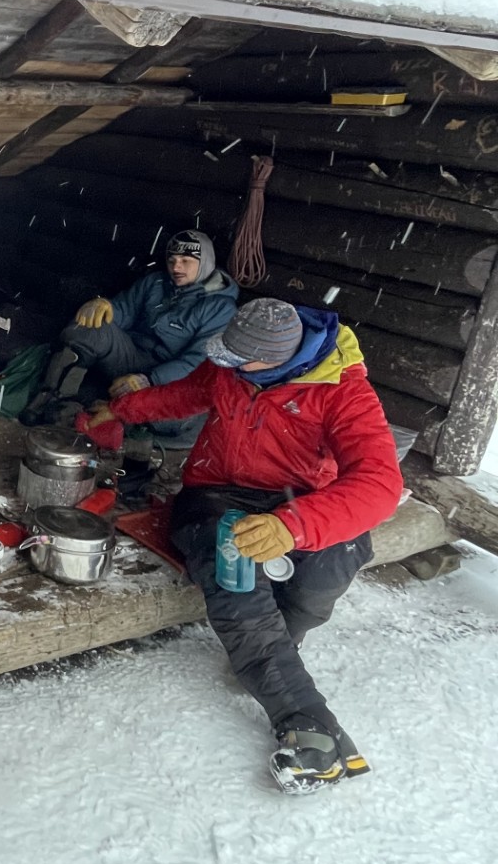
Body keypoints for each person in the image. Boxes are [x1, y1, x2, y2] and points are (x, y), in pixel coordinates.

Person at [80, 298, 403, 793]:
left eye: (238, 360)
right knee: (233, 566)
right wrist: (121, 409)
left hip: (301, 499)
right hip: (216, 494)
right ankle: (304, 720)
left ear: (278, 359)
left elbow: (381, 484)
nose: (225, 365)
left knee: (337, 556)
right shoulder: (232, 363)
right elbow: (186, 394)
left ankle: (276, 649)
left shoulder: (342, 392)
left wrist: (292, 525)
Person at [25, 230, 238, 436]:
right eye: (172, 260)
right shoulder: (155, 282)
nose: (176, 266)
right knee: (89, 326)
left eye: (186, 260)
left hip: (169, 378)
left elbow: (197, 362)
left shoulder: (221, 308)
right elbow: (124, 311)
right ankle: (52, 399)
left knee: (174, 422)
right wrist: (106, 307)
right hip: (131, 357)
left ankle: (113, 416)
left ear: (205, 264)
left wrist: (149, 380)